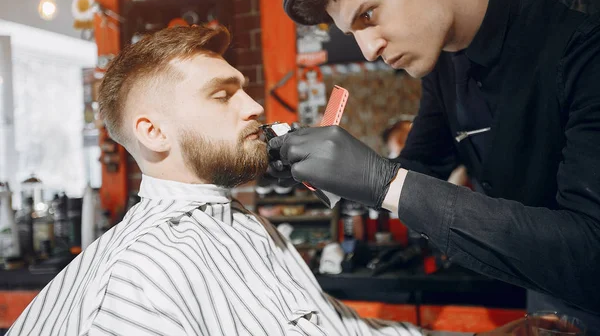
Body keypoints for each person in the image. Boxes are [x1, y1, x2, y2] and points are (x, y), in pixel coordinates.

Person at [9, 25, 526, 335]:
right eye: (222, 94)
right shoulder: (136, 279)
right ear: (153, 131)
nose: (254, 106)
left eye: (244, 89)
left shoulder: (248, 229)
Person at [269, 0, 600, 328]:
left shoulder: (583, 29)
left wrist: (382, 181)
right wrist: (335, 173)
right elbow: (420, 167)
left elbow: (592, 254)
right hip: (544, 288)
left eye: (369, 15)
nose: (368, 51)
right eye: (352, 33)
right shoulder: (445, 58)